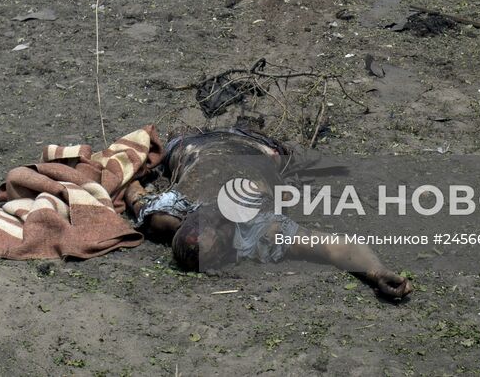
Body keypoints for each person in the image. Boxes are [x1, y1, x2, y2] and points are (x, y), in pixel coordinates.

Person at [123, 128, 412, 300]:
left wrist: (128, 173)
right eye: (219, 223)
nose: (218, 214)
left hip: (193, 142)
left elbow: (133, 192)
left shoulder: (168, 214)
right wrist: (377, 272)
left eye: (208, 217)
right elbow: (335, 247)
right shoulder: (259, 231)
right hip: (259, 146)